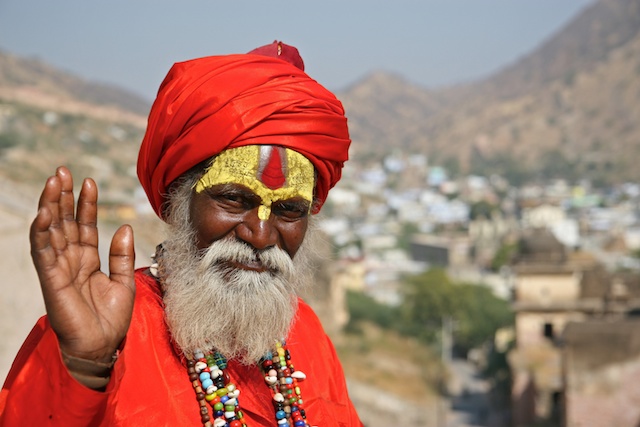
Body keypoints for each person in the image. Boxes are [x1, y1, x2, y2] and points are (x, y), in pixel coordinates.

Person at [0, 41, 363, 427]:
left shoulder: (304, 331)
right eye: (234, 199)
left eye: (289, 209)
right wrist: (84, 370)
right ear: (178, 204)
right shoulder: (106, 329)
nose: (260, 234)